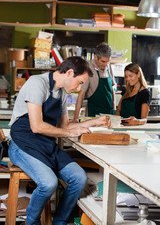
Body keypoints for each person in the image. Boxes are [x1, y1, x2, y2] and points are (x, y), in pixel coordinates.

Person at [8, 56, 108, 225]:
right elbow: (37, 127)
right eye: (79, 82)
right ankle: (31, 222)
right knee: (49, 183)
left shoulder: (62, 92)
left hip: (45, 145)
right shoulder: (37, 84)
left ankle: (59, 222)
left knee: (79, 178)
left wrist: (94, 122)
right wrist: (69, 133)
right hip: (22, 144)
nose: (78, 88)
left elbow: (65, 125)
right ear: (69, 73)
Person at [72, 42, 116, 122]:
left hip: (109, 114)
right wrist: (76, 118)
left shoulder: (108, 66)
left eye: (108, 61)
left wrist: (114, 109)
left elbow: (112, 89)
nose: (106, 65)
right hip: (94, 115)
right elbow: (81, 94)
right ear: (96, 57)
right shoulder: (88, 68)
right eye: (103, 61)